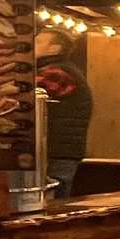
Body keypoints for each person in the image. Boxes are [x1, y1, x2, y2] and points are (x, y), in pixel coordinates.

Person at [34, 28, 92, 198]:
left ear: (54, 48)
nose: (32, 45)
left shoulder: (59, 72)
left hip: (58, 151)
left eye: (38, 42)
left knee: (54, 202)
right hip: (59, 150)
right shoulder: (61, 69)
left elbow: (23, 90)